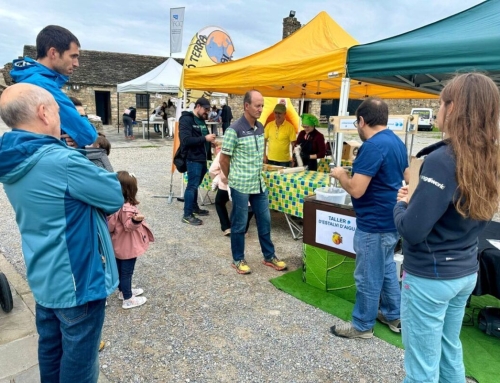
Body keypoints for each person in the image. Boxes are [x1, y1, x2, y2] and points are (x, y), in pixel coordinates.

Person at [0, 83, 123, 383]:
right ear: (43, 112)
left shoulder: (12, 158)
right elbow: (113, 194)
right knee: (80, 367)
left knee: (51, 353)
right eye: (58, 111)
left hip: (44, 275)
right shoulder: (62, 161)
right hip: (77, 281)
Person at [394, 73, 500, 383]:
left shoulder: (443, 159)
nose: (438, 110)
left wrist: (400, 205)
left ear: (453, 109)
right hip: (465, 270)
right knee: (447, 348)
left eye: (440, 104)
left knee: (421, 367)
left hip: (431, 276)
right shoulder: (489, 155)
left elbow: (412, 231)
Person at [329, 97, 409, 339]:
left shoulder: (372, 147)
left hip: (373, 223)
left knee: (367, 276)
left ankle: (362, 325)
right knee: (385, 269)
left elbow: (356, 189)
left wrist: (341, 174)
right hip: (390, 218)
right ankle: (393, 314)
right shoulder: (396, 142)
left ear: (361, 121)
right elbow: (406, 174)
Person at [219, 90, 287, 274]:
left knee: (265, 221)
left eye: (262, 105)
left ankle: (269, 256)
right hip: (240, 185)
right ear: (246, 106)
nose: (261, 109)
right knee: (239, 225)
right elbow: (223, 160)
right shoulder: (234, 130)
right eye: (257, 105)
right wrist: (232, 178)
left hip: (259, 184)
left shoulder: (260, 127)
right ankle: (238, 259)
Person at [9, 25, 97, 148]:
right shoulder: (42, 85)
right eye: (73, 56)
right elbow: (87, 135)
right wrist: (82, 118)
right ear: (53, 53)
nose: (77, 64)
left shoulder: (29, 78)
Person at [108, 171, 154, 309]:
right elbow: (128, 226)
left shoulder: (114, 204)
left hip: (118, 245)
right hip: (128, 247)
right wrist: (135, 220)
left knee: (120, 270)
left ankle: (123, 291)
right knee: (127, 272)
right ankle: (128, 299)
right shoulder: (127, 208)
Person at [179, 97, 216, 225]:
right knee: (192, 185)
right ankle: (187, 214)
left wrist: (211, 143)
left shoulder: (201, 120)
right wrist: (205, 138)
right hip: (193, 158)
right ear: (198, 106)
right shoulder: (186, 119)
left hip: (203, 158)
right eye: (206, 109)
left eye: (208, 109)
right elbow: (186, 140)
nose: (207, 112)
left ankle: (194, 208)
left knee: (196, 185)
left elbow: (202, 138)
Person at [209, 146, 254, 237]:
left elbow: (212, 169)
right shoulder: (250, 149)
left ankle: (226, 227)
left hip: (226, 183)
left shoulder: (225, 150)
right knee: (249, 205)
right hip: (245, 184)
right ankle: (243, 229)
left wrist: (219, 177)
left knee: (219, 203)